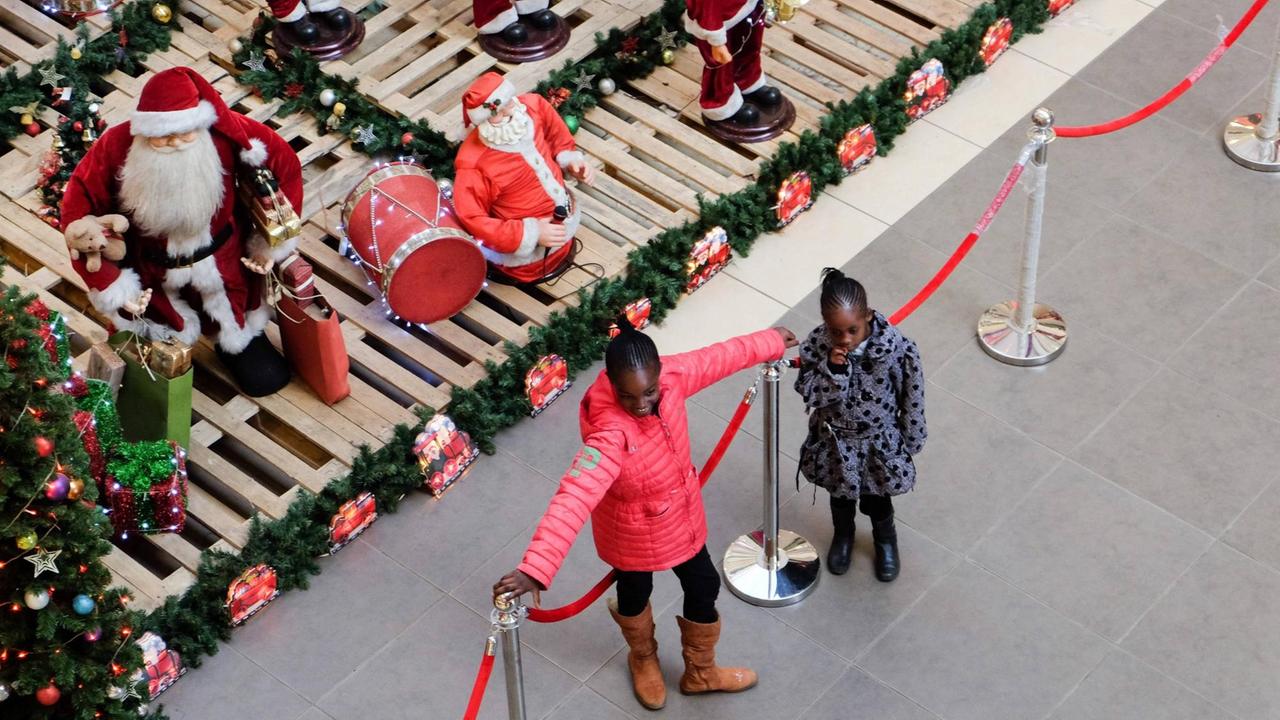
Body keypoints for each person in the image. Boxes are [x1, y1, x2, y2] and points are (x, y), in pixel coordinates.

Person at [494, 320, 798, 710]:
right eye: (628, 395)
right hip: (631, 535)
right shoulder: (608, 434)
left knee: (703, 585)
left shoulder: (672, 377)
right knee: (634, 595)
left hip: (681, 522)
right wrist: (536, 567)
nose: (641, 404)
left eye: (649, 392)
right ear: (611, 383)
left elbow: (714, 359)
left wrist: (769, 341)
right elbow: (573, 496)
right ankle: (642, 657)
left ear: (659, 375)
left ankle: (700, 671)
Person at [60, 67, 301, 397]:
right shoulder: (116, 146)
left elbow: (283, 163)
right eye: (162, 135)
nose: (174, 141)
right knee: (155, 323)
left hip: (221, 257)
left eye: (184, 133)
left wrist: (269, 241)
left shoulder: (225, 134)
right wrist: (113, 284)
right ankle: (157, 347)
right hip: (152, 267)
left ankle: (237, 340)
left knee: (240, 324)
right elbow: (78, 207)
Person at [794, 268, 927, 581]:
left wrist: (912, 435)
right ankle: (844, 536)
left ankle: (885, 539)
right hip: (835, 441)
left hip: (877, 443)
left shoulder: (896, 348)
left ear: (867, 316)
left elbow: (912, 393)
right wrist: (832, 371)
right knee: (839, 496)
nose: (845, 339)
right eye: (836, 331)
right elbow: (807, 390)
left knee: (877, 498)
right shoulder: (818, 345)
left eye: (852, 330)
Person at [452, 73, 594, 284]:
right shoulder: (473, 163)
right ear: (483, 120)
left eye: (508, 102)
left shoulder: (534, 107)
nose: (509, 110)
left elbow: (557, 135)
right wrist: (531, 233)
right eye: (498, 113)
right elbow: (472, 218)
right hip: (525, 263)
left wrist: (571, 160)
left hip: (564, 224)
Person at [684, 0, 784, 126]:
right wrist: (716, 39)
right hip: (716, 21)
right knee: (720, 66)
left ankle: (748, 81)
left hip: (747, 8)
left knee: (749, 47)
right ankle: (720, 103)